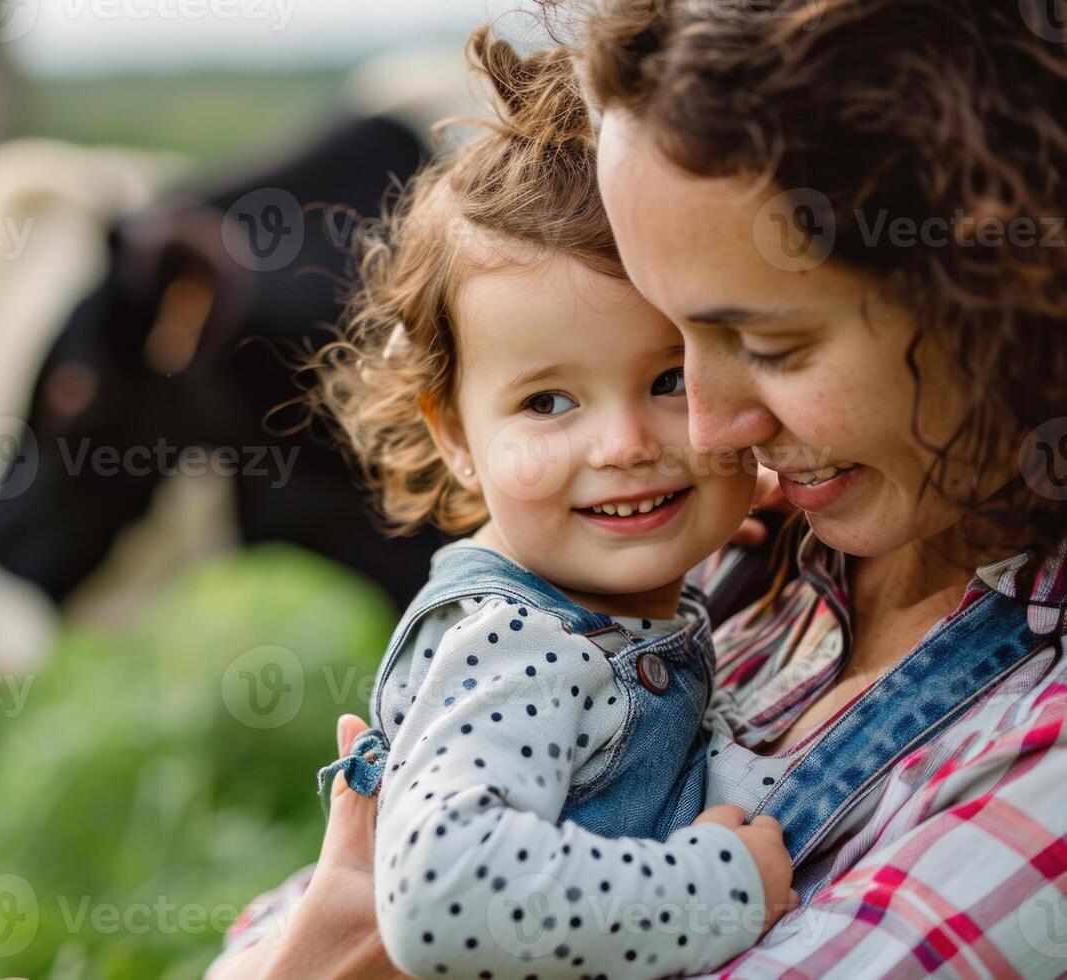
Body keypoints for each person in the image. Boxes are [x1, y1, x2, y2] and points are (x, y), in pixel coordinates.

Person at [206, 2, 1067, 976]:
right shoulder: (688, 584)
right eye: (682, 343)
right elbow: (318, 920)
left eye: (770, 344)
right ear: (452, 428)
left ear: (998, 286)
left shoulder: (1034, 745)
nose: (701, 429)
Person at [293, 25, 793, 978]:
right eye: (549, 401)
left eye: (670, 380)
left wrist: (747, 487)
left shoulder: (599, 597)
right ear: (454, 436)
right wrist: (717, 889)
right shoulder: (517, 647)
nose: (625, 447)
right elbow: (445, 899)